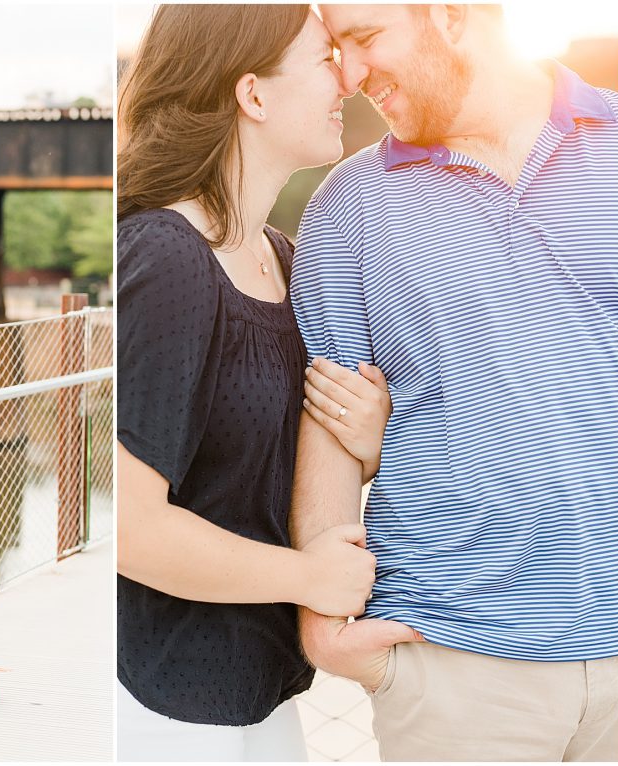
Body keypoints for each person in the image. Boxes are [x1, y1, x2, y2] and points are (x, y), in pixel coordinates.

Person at [290, 5, 618, 761]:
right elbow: (330, 420)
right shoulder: (349, 208)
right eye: (338, 49)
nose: (349, 72)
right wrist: (326, 632)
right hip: (458, 663)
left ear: (449, 13)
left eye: (365, 38)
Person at [116, 5, 418, 761]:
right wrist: (311, 577)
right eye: (324, 60)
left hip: (264, 699)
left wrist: (370, 440)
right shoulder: (164, 257)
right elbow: (130, 527)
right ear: (252, 95)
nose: (349, 78)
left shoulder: (284, 258)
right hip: (165, 708)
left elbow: (274, 462)